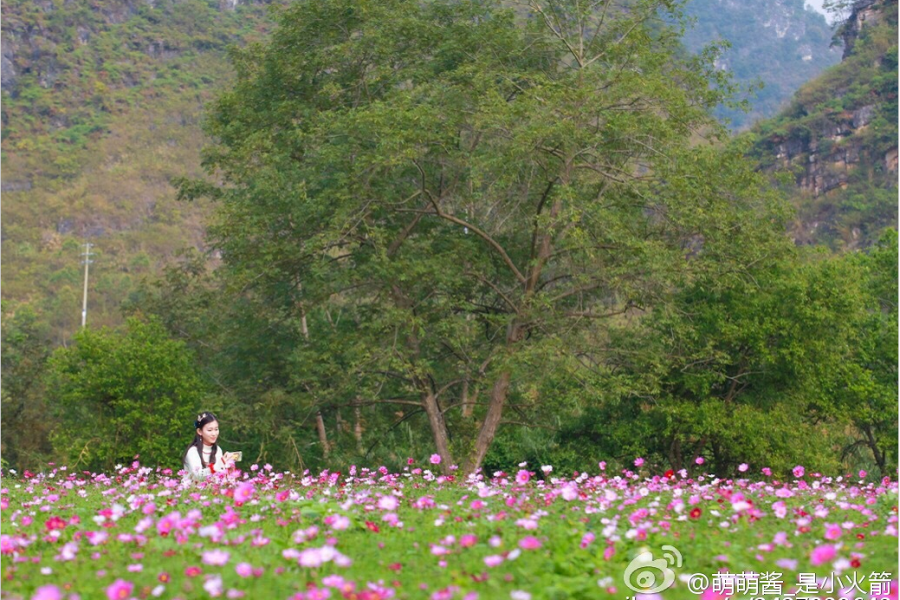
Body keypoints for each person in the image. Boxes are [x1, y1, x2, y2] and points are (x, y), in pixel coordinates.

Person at [181, 412, 237, 484]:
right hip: (192, 492)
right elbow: (198, 476)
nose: (214, 434)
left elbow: (218, 477)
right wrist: (216, 467)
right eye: (209, 430)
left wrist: (228, 471)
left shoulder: (218, 450)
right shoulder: (192, 452)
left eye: (216, 429)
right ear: (199, 431)